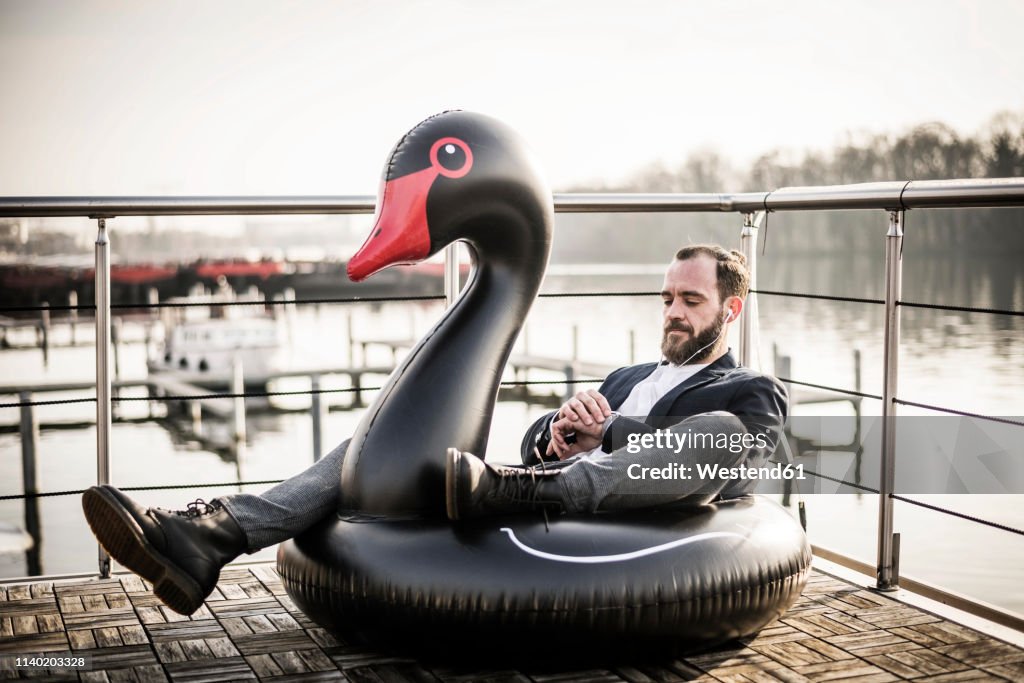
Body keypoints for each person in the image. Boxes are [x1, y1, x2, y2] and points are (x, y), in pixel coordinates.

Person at [82, 244, 787, 615]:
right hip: (543, 490)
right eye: (666, 297)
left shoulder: (749, 387)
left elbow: (738, 456)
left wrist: (613, 435)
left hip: (657, 520)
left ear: (730, 310)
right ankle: (212, 534)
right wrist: (559, 432)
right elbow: (536, 439)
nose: (672, 311)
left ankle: (509, 492)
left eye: (690, 300)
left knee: (718, 431)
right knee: (392, 441)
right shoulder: (628, 375)